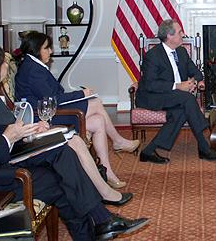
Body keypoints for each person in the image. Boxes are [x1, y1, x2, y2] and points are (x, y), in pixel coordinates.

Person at [0, 42, 149, 240]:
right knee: (62, 180)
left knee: (61, 152)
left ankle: (101, 222)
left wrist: (22, 130)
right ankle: (101, 221)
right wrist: (7, 138)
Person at [0, 45, 132, 206]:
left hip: (23, 137)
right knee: (73, 139)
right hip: (16, 149)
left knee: (83, 131)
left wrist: (34, 127)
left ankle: (103, 187)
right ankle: (103, 192)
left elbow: (8, 124)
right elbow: (0, 134)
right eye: (4, 63)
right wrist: (30, 129)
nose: (8, 67)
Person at [14, 32, 139, 189]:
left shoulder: (33, 65)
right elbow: (53, 99)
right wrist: (81, 94)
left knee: (98, 121)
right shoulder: (33, 70)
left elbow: (53, 96)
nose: (50, 51)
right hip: (42, 118)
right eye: (47, 48)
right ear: (35, 49)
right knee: (95, 103)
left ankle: (107, 173)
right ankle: (118, 141)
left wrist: (80, 95)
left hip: (50, 111)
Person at [135, 19, 216, 163]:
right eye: (179, 32)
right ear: (169, 36)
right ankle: (204, 144)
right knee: (187, 99)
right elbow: (151, 85)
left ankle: (148, 151)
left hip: (175, 96)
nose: (183, 34)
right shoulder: (153, 56)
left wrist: (195, 82)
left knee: (180, 111)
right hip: (153, 96)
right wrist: (177, 86)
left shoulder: (181, 52)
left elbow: (196, 72)